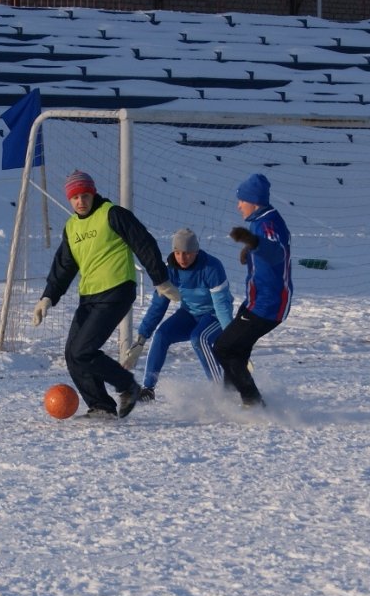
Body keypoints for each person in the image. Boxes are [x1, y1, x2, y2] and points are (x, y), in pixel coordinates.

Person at [31, 170, 179, 419]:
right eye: (75, 197)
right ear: (70, 200)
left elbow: (143, 242)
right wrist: (47, 297)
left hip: (117, 290)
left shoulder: (112, 214)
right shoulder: (71, 227)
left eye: (85, 195)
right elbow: (63, 266)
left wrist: (160, 279)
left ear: (93, 193)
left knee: (83, 351)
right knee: (72, 355)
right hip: (89, 296)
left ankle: (128, 386)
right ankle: (102, 406)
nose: (81, 201)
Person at [121, 228, 235, 400]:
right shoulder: (169, 270)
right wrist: (141, 339)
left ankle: (223, 392)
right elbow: (158, 306)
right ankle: (148, 389)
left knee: (200, 338)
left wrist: (232, 339)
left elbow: (222, 306)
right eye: (178, 252)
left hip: (215, 315)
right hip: (189, 313)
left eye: (188, 253)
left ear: (196, 251)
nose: (182, 258)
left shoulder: (211, 267)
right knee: (161, 335)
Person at [216, 172, 293, 408]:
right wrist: (250, 249)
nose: (239, 205)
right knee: (236, 350)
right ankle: (228, 398)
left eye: (242, 200)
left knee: (223, 348)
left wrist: (254, 243)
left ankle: (253, 402)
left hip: (268, 305)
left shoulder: (267, 223)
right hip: (257, 301)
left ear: (254, 201)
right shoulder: (262, 221)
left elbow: (275, 252)